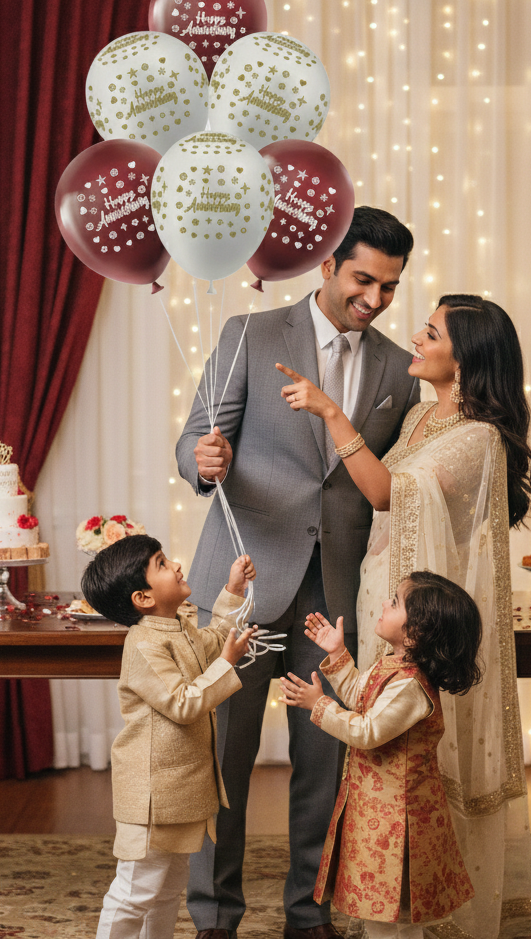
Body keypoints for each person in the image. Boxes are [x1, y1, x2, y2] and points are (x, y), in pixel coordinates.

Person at [177, 206, 421, 939]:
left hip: (337, 590)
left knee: (326, 760)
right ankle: (213, 916)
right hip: (243, 584)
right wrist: (203, 460)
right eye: (363, 279)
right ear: (328, 265)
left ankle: (308, 915)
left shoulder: (396, 367)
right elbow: (194, 439)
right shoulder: (249, 334)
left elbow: (382, 480)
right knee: (224, 757)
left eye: (389, 286)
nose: (374, 299)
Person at [277, 294, 531, 937]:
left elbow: (385, 492)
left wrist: (331, 412)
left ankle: (432, 907)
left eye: (431, 333)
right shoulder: (421, 415)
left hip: (420, 611)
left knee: (413, 745)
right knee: (382, 733)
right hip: (381, 593)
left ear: (466, 358)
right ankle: (386, 889)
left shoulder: (478, 437)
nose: (416, 340)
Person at [278, 571, 484, 939]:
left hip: (398, 818)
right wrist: (337, 653)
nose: (385, 604)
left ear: (415, 634)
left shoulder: (410, 686)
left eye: (395, 602)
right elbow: (360, 696)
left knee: (394, 911)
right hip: (376, 811)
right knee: (384, 909)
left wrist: (319, 705)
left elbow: (367, 732)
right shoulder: (392, 666)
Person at [80, 535, 257, 939]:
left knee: (167, 890)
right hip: (153, 797)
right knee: (135, 893)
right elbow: (182, 703)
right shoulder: (144, 645)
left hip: (179, 792)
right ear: (143, 598)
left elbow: (214, 641)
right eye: (161, 563)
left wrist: (232, 591)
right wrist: (227, 663)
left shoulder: (178, 626)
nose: (176, 565)